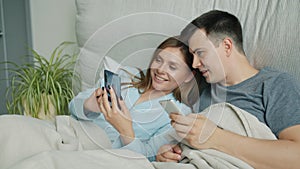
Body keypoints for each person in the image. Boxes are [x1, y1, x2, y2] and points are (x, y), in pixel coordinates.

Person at [156, 10, 300, 169]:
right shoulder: (204, 91)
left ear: (226, 46)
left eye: (200, 53)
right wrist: (169, 153)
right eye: (193, 56)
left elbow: (296, 157)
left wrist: (216, 137)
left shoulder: (275, 84)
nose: (195, 63)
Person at [69, 36, 205, 161]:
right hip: (72, 132)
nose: (160, 70)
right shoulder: (126, 75)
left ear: (189, 76)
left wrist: (126, 131)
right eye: (158, 60)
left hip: (102, 155)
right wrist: (88, 106)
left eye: (172, 67)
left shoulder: (179, 114)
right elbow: (72, 107)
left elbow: (149, 156)